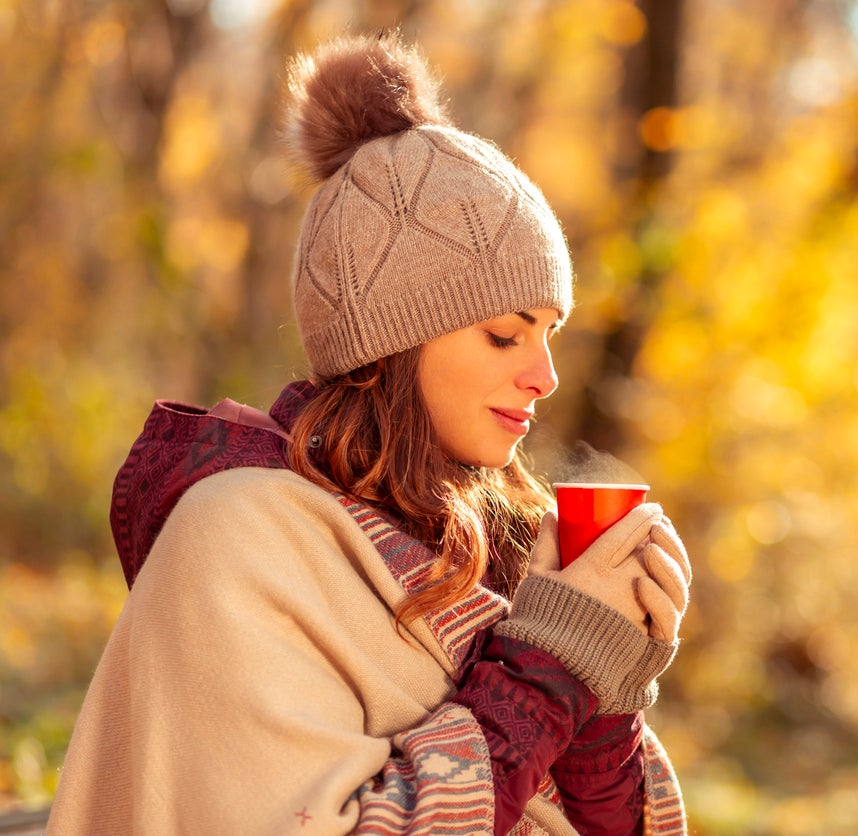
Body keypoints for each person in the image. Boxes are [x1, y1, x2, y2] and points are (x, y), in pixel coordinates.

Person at [47, 32, 691, 835]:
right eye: (505, 333)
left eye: (551, 333)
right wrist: (550, 665)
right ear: (394, 342)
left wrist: (604, 692)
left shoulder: (497, 555)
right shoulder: (239, 537)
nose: (546, 376)